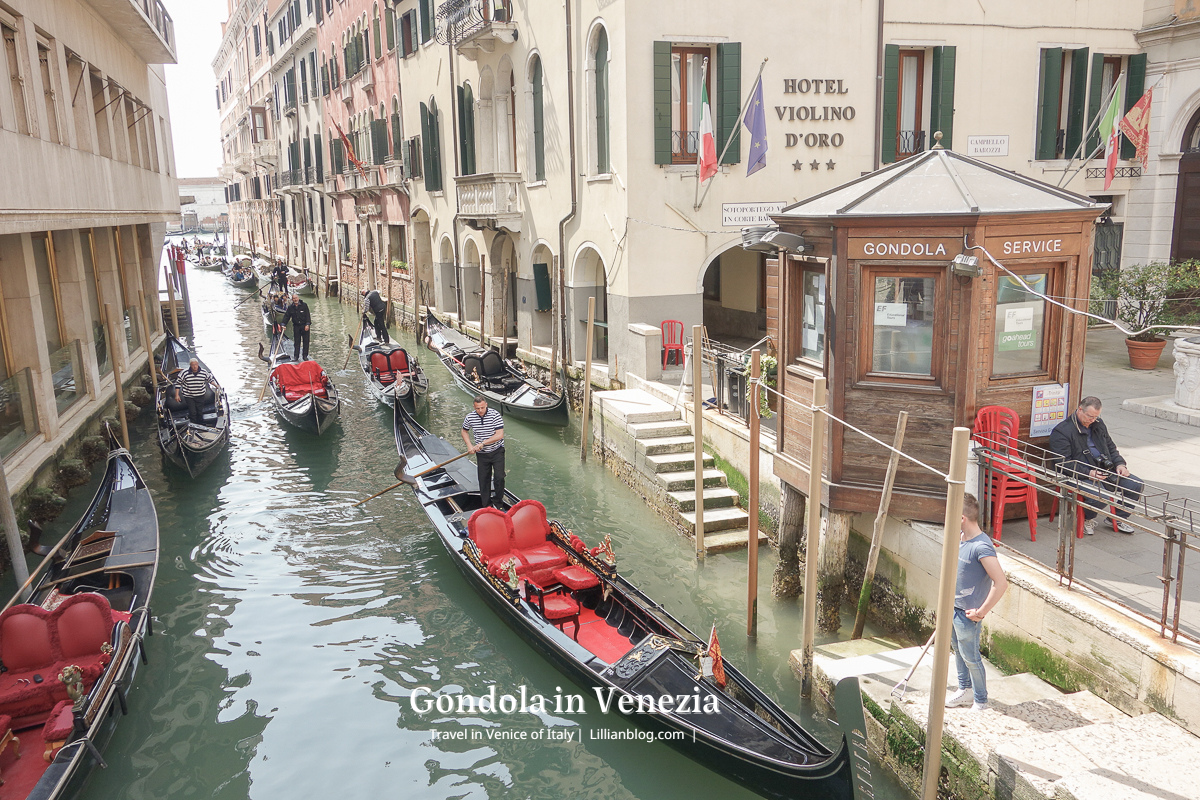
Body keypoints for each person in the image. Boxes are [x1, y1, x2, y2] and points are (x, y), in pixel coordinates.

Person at [945, 493, 1008, 712]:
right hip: (953, 609)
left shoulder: (982, 547)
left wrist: (980, 613)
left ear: (962, 517)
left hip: (968, 614)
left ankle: (981, 700)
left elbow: (1001, 583)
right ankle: (965, 690)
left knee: (971, 658)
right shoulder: (960, 538)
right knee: (959, 652)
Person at [1048, 396, 1143, 536]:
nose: (1092, 420)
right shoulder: (1062, 431)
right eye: (1090, 416)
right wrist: (1089, 473)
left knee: (1135, 484)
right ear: (1080, 409)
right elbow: (1063, 463)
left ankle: (1117, 517)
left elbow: (1110, 447)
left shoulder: (1098, 424)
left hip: (1103, 468)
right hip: (1078, 473)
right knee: (1100, 496)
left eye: (1095, 417)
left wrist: (1120, 464)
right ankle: (1085, 518)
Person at [462, 396, 504, 508]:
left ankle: (498, 502)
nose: (480, 410)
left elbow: (499, 435)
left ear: (486, 405)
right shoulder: (470, 417)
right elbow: (464, 431)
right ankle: (486, 505)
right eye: (477, 408)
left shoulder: (495, 415)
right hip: (482, 454)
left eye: (482, 407)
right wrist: (469, 445)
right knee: (484, 479)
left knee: (499, 477)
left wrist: (483, 443)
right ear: (474, 407)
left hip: (497, 451)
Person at [174, 357, 210, 424]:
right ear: (190, 365)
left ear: (198, 364)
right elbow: (178, 383)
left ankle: (201, 424)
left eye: (196, 364)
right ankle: (193, 425)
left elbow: (210, 379)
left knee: (200, 411)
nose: (194, 366)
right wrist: (177, 395)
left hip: (200, 395)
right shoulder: (184, 373)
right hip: (189, 396)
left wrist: (217, 386)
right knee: (192, 412)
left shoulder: (203, 372)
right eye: (193, 365)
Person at [282, 294, 312, 361]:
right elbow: (287, 316)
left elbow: (308, 315)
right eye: (294, 298)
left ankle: (305, 356)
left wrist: (307, 324)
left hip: (304, 326)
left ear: (298, 298)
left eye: (296, 298)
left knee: (306, 342)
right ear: (292, 299)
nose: (295, 299)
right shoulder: (290, 307)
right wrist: (283, 324)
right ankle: (296, 356)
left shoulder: (304, 305)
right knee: (297, 342)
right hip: (296, 326)